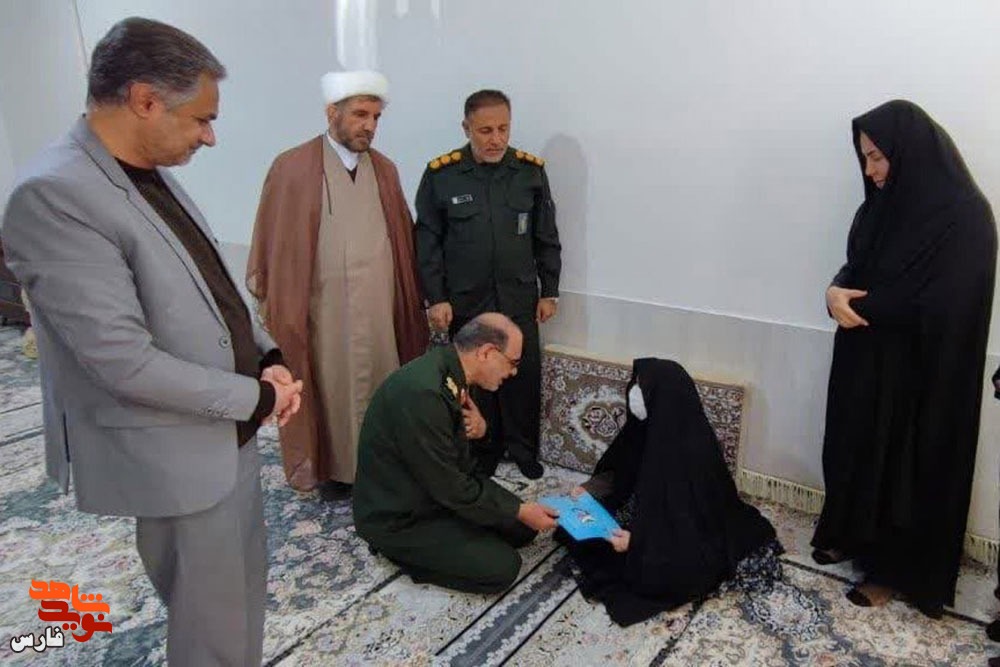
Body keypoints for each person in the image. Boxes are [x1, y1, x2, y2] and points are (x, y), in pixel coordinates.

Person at [1, 17, 304, 665]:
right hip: (173, 449)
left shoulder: (142, 167)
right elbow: (122, 362)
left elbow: (207, 281)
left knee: (236, 600)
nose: (210, 136)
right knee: (211, 626)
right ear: (145, 100)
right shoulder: (54, 194)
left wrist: (268, 356)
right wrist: (254, 396)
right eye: (201, 119)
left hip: (221, 428)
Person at [811, 100, 996, 618]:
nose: (870, 171)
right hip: (867, 364)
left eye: (877, 157)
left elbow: (946, 303)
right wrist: (832, 292)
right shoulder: (878, 209)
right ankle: (851, 537)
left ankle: (894, 572)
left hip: (921, 378)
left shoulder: (965, 217)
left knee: (903, 472)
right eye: (864, 159)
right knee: (856, 452)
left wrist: (859, 303)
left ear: (910, 150)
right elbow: (855, 267)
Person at [247, 70, 428, 500]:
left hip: (380, 310)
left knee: (383, 382)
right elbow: (274, 243)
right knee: (328, 391)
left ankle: (383, 466)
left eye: (376, 117)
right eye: (360, 114)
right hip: (321, 313)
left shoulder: (385, 171)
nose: (369, 125)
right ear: (332, 113)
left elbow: (404, 242)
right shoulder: (292, 167)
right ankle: (334, 470)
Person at [560, 358, 781, 627]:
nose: (633, 393)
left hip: (677, 532)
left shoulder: (691, 449)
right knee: (577, 527)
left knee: (660, 572)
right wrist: (588, 490)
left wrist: (638, 543)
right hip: (644, 508)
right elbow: (619, 472)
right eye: (635, 384)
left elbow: (688, 524)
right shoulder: (641, 428)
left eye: (642, 388)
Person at [352, 313, 559, 593]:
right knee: (502, 568)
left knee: (523, 529)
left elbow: (464, 463)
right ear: (487, 352)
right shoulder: (425, 394)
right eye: (513, 362)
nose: (513, 373)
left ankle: (460, 536)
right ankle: (401, 554)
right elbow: (452, 486)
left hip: (433, 492)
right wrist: (518, 509)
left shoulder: (452, 374)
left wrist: (481, 431)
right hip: (401, 516)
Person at [415, 89, 561, 480]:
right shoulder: (442, 176)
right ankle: (483, 449)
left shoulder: (529, 172)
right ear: (466, 128)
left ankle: (523, 449)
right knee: (474, 377)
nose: (496, 139)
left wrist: (550, 290)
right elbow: (427, 242)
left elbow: (546, 236)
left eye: (503, 129)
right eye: (485, 131)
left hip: (518, 296)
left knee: (522, 374)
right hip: (468, 299)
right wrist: (436, 297)